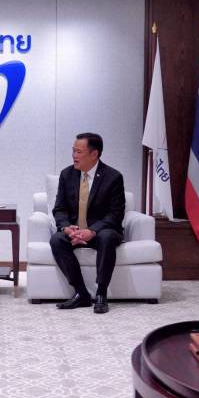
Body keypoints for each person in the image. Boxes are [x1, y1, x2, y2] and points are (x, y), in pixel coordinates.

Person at [49, 132, 126, 314]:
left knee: (107, 237)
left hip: (101, 231)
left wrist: (92, 231)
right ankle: (81, 293)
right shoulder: (67, 175)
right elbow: (59, 208)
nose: (74, 155)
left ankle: (101, 293)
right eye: (73, 151)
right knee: (56, 240)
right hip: (75, 231)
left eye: (79, 152)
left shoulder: (113, 177)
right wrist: (67, 228)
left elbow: (115, 214)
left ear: (94, 154)